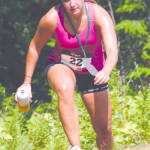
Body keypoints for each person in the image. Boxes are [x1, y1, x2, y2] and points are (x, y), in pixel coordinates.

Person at [15, 0, 118, 149]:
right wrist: (27, 82)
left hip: (94, 72)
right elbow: (35, 47)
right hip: (62, 64)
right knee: (65, 87)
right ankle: (75, 146)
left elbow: (112, 50)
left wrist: (106, 70)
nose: (72, 4)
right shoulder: (52, 18)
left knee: (104, 129)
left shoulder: (99, 14)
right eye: (66, 0)